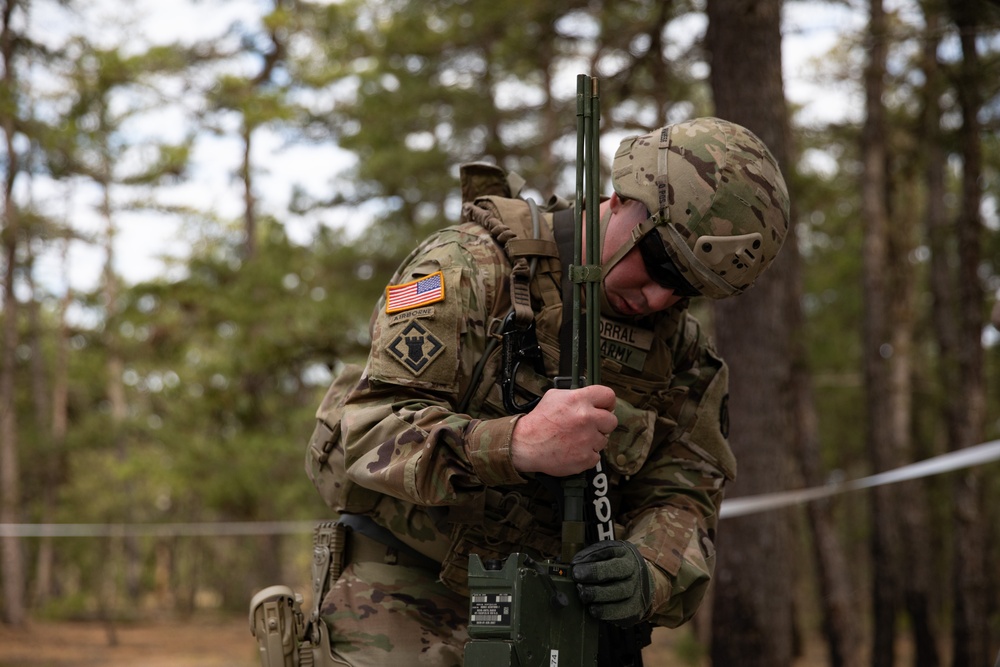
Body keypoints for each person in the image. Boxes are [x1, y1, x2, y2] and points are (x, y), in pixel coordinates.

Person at [304, 116, 789, 666]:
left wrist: (648, 568)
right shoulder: (471, 268)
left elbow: (685, 496)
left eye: (686, 289)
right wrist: (516, 443)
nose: (657, 298)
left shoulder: (685, 358)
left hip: (557, 613)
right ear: (620, 198)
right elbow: (369, 429)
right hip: (404, 590)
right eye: (658, 263)